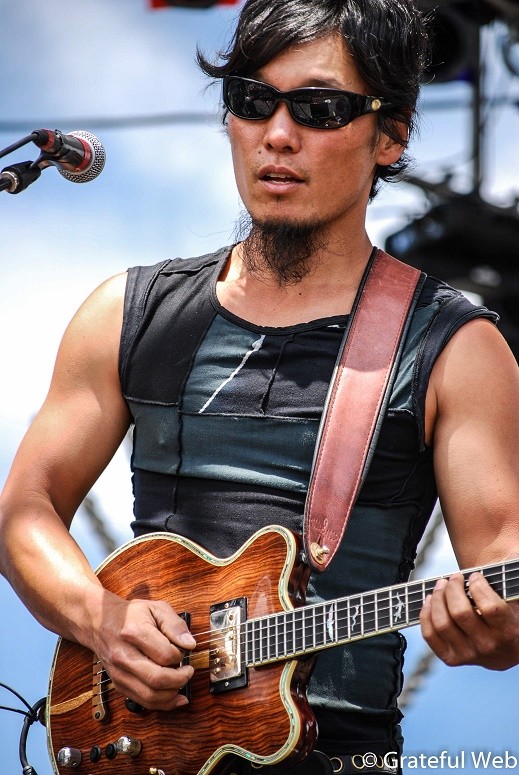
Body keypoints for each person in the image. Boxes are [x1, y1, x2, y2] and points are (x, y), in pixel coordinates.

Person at [1, 1, 519, 773]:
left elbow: (502, 563)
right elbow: (25, 509)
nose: (277, 134)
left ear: (390, 135)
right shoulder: (126, 312)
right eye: (251, 100)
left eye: (318, 108)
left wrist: (497, 623)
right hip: (140, 744)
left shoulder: (457, 347)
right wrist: (100, 618)